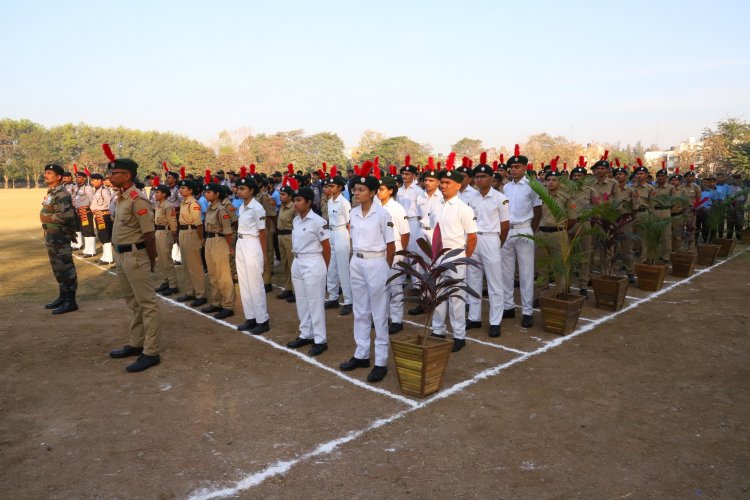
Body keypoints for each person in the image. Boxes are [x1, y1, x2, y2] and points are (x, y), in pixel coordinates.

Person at [104, 150, 162, 373]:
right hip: (121, 255)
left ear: (127, 175)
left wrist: (151, 259)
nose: (110, 175)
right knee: (133, 303)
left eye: (115, 172)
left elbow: (148, 233)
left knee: (147, 304)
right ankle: (137, 343)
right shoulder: (121, 197)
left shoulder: (138, 199)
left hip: (136, 256)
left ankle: (151, 351)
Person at [339, 167, 395, 382]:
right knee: (360, 311)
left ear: (372, 192)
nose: (356, 192)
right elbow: (353, 238)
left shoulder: (383, 214)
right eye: (355, 189)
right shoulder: (353, 212)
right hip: (358, 262)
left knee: (379, 314)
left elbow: (391, 245)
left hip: (377, 262)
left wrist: (386, 269)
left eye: (361, 189)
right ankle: (361, 353)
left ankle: (381, 361)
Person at [431, 167, 478, 351]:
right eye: (442, 182)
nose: (443, 185)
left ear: (458, 186)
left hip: (456, 256)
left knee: (456, 297)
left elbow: (472, 237)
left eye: (447, 183)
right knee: (438, 295)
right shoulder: (437, 206)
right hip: (438, 256)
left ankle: (459, 335)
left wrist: (464, 258)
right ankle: (438, 329)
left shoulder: (464, 209)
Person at [285, 187, 332, 356]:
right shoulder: (296, 220)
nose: (295, 203)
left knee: (315, 302)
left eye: (299, 200)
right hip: (298, 261)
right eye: (294, 200)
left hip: (313, 261)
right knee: (302, 301)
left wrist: (323, 269)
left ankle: (320, 339)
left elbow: (327, 248)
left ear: (309, 202)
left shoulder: (318, 221)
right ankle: (306, 334)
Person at [466, 158, 509, 337]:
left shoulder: (500, 198)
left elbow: (505, 225)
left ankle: (495, 321)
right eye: (477, 177)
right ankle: (474, 318)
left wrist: (498, 243)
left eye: (483, 176)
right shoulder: (471, 197)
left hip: (492, 239)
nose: (479, 180)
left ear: (492, 178)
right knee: (473, 280)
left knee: (494, 283)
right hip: (475, 238)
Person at [501, 145, 542, 329]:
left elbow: (538, 210)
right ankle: (508, 306)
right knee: (506, 272)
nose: (514, 169)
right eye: (512, 167)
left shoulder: (532, 186)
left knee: (526, 273)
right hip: (508, 230)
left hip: (524, 229)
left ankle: (527, 311)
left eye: (518, 166)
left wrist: (530, 231)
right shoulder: (506, 187)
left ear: (525, 168)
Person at [40, 164, 79, 314]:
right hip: (51, 234)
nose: (46, 175)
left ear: (58, 177)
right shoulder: (52, 192)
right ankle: (63, 296)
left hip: (59, 235)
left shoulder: (62, 194)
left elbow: (67, 216)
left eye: (49, 173)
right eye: (45, 172)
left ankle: (70, 301)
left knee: (65, 267)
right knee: (57, 268)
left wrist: (46, 217)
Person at [235, 176, 270, 334]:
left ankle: (262, 320)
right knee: (244, 283)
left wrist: (264, 254)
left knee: (255, 284)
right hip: (241, 243)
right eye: (238, 188)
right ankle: (251, 317)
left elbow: (262, 232)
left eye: (242, 189)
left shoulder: (257, 208)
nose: (239, 191)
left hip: (252, 243)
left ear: (251, 190)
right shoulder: (242, 207)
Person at [376, 173, 410, 334]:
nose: (378, 192)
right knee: (380, 285)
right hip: (379, 249)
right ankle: (383, 317)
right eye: (377, 189)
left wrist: (400, 254)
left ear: (390, 191)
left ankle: (397, 320)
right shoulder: (376, 206)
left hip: (394, 248)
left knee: (395, 287)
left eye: (381, 189)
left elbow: (405, 233)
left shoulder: (397, 208)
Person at [200, 183, 236, 320]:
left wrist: (230, 247)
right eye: (206, 191)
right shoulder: (210, 208)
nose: (206, 194)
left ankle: (228, 305)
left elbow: (228, 232)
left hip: (220, 241)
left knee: (223, 275)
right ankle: (216, 302)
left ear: (217, 194)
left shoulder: (221, 210)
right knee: (213, 274)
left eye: (209, 192)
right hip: (209, 241)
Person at [324, 171, 353, 315]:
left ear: (340, 187)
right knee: (331, 268)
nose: (329, 188)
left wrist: (350, 240)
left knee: (343, 268)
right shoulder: (329, 201)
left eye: (332, 186)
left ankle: (349, 301)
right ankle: (333, 297)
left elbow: (349, 223)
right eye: (329, 185)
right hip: (332, 233)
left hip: (342, 233)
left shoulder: (344, 203)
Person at [175, 180, 207, 307]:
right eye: (180, 188)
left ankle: (200, 294)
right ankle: (190, 292)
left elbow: (198, 224)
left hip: (191, 233)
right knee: (186, 265)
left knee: (195, 266)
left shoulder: (193, 203)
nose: (180, 190)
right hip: (183, 233)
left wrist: (201, 238)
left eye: (183, 188)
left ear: (191, 190)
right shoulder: (183, 202)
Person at [152, 185, 179, 296]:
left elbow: (172, 223)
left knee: (167, 260)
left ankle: (173, 285)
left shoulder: (168, 206)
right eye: (155, 192)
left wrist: (174, 236)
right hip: (158, 232)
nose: (155, 194)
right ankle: (166, 281)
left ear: (164, 194)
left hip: (165, 232)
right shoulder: (159, 205)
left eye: (158, 192)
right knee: (162, 260)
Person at [276, 180, 296, 302]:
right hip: (281, 237)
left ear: (289, 196)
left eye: (283, 195)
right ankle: (288, 288)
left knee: (292, 264)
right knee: (285, 264)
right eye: (280, 194)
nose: (281, 196)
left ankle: (295, 290)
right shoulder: (282, 207)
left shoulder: (294, 208)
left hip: (289, 237)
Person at [631, 161, 655, 262]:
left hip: (643, 214)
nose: (639, 176)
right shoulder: (631, 188)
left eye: (641, 174)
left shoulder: (650, 189)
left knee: (643, 238)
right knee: (631, 238)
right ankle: (631, 260)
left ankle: (643, 259)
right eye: (637, 174)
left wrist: (651, 218)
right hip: (631, 215)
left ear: (646, 175)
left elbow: (652, 205)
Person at [89, 173, 114, 265]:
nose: (92, 182)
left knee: (105, 236)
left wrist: (98, 209)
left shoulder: (104, 190)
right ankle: (105, 256)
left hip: (103, 215)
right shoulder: (97, 190)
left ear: (99, 180)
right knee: (101, 236)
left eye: (93, 180)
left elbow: (108, 202)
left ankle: (109, 258)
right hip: (99, 215)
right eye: (91, 181)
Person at [73, 168, 97, 257]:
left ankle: (92, 250)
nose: (77, 179)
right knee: (84, 230)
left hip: (85, 211)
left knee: (88, 230)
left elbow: (92, 199)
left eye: (79, 177)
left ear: (84, 178)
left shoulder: (88, 188)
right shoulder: (76, 187)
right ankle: (87, 249)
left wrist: (92, 210)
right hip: (79, 211)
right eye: (76, 178)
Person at [653, 167, 675, 261]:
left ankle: (666, 256)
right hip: (654, 211)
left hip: (665, 211)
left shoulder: (670, 188)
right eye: (658, 176)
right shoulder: (652, 188)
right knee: (653, 234)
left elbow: (674, 201)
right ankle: (654, 255)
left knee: (666, 235)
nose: (660, 178)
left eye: (662, 176)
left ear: (666, 177)